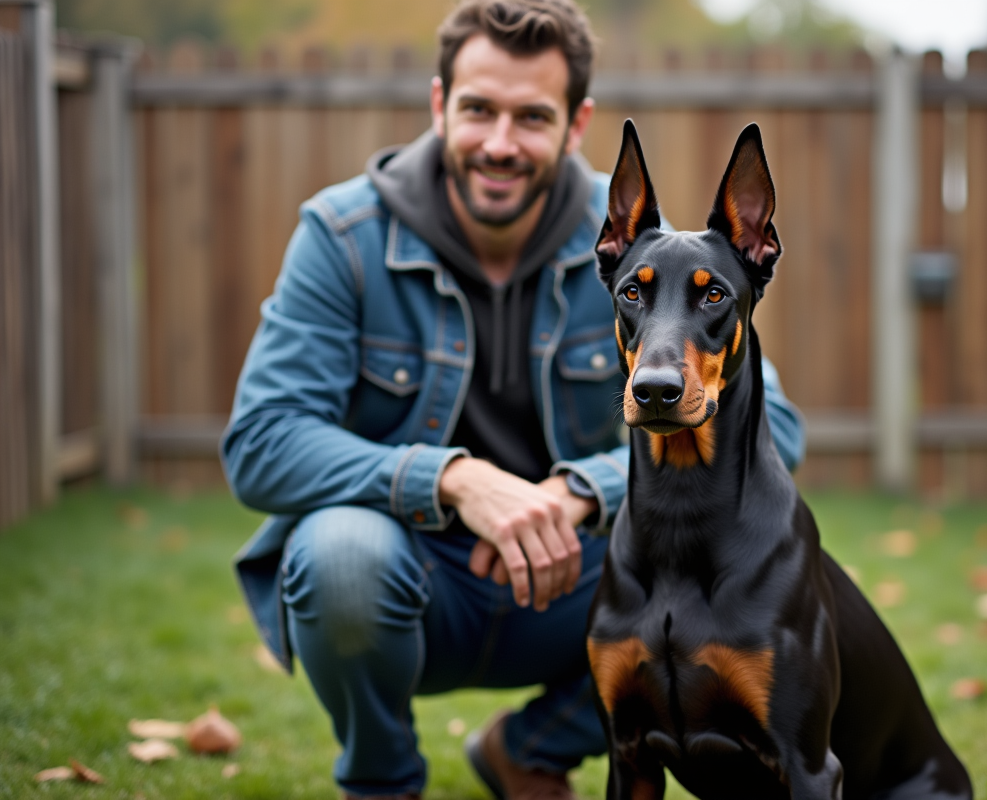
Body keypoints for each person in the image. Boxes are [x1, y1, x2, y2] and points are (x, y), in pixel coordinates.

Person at [221, 1, 804, 798]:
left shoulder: (643, 247)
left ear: (575, 123)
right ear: (439, 106)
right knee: (340, 557)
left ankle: (530, 747)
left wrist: (573, 496)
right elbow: (260, 441)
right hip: (416, 582)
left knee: (711, 558)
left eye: (531, 116)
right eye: (477, 110)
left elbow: (782, 428)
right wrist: (456, 481)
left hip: (578, 582)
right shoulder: (341, 236)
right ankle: (383, 780)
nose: (500, 143)